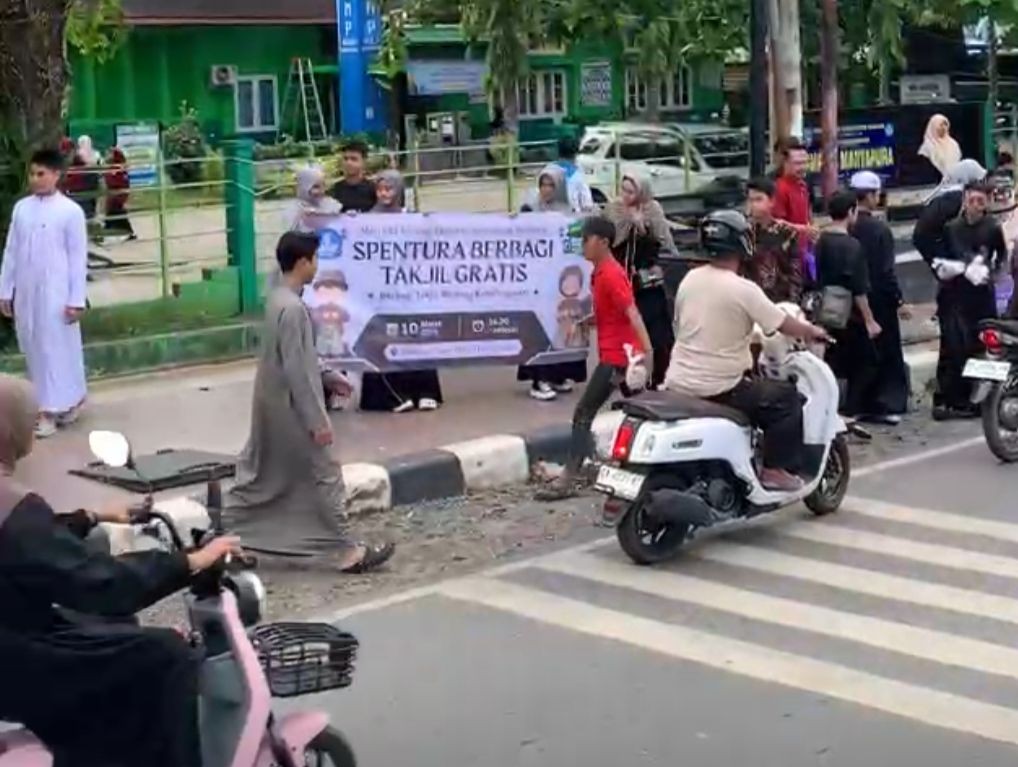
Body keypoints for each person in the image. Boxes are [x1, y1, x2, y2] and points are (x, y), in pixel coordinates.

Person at [0, 373, 243, 767]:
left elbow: (29, 546)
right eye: (28, 417)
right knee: (168, 653)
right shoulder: (14, 506)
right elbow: (100, 583)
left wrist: (93, 516)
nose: (34, 425)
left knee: (116, 629)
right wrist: (188, 561)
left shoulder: (14, 510)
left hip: (13, 636)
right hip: (21, 662)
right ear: (8, 427)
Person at [227, 232, 395, 570]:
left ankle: (229, 537)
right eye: (315, 259)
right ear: (303, 262)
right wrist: (318, 421)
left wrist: (328, 376)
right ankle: (345, 550)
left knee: (265, 478)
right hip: (293, 410)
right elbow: (298, 370)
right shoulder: (293, 309)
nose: (317, 266)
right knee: (325, 474)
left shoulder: (277, 299)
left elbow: (296, 358)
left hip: (272, 406)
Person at [664, 210, 830, 491]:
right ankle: (775, 470)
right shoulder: (744, 289)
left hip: (677, 380)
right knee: (786, 399)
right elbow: (783, 323)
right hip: (721, 386)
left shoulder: (689, 280)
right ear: (742, 244)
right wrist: (813, 331)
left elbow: (682, 325)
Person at [537, 216, 654, 501]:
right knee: (642, 412)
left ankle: (568, 478)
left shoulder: (611, 274)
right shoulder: (599, 272)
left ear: (602, 242)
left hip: (619, 357)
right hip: (621, 354)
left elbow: (632, 313)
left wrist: (647, 354)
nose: (583, 245)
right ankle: (608, 469)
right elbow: (608, 315)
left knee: (583, 413)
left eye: (587, 240)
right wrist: (584, 323)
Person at [0, 148, 88, 438]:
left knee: (57, 348)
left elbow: (77, 257)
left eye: (42, 174)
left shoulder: (70, 212)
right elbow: (11, 251)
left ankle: (50, 410)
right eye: (32, 173)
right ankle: (60, 401)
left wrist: (76, 298)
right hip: (27, 292)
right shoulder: (22, 209)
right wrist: (5, 290)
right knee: (35, 349)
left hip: (57, 293)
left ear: (56, 175)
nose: (35, 179)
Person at [911, 159, 993, 419]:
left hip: (962, 282)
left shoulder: (950, 199)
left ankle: (955, 398)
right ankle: (958, 400)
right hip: (960, 287)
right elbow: (922, 236)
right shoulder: (951, 200)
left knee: (958, 342)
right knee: (962, 342)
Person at [360, 170, 444, 412]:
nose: (384, 194)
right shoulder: (367, 220)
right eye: (380, 189)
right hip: (381, 291)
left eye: (389, 189)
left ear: (399, 191)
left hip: (410, 288)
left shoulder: (412, 218)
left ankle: (425, 391)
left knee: (417, 335)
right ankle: (391, 395)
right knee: (383, 339)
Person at [928, 180, 1007, 420]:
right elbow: (947, 258)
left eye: (980, 202)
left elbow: (1001, 256)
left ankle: (985, 398)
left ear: (986, 204)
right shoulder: (952, 227)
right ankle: (956, 399)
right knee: (956, 347)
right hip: (956, 296)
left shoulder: (992, 227)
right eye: (971, 201)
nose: (974, 206)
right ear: (965, 201)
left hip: (982, 296)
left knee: (984, 344)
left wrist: (992, 276)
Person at [518, 164, 589, 400]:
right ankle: (539, 379)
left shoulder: (568, 213)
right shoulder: (530, 209)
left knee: (562, 327)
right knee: (541, 329)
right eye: (543, 184)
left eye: (551, 185)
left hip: (561, 281)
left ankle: (558, 374)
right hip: (539, 282)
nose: (546, 190)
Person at [848, 171, 911, 423]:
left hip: (853, 301)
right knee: (886, 352)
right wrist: (898, 299)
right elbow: (886, 271)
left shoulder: (847, 228)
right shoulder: (879, 229)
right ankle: (887, 402)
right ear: (872, 195)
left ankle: (860, 402)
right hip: (879, 300)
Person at [815, 190, 883, 418]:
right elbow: (859, 287)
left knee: (834, 360)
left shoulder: (821, 240)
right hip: (850, 314)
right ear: (851, 212)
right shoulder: (852, 246)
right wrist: (870, 319)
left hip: (825, 309)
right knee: (867, 362)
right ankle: (851, 410)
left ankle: (831, 406)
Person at [604, 172, 675, 388]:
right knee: (626, 330)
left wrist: (642, 226)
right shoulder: (614, 210)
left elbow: (662, 241)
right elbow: (610, 239)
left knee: (656, 330)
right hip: (622, 278)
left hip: (647, 280)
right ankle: (627, 376)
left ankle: (660, 376)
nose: (625, 195)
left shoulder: (653, 209)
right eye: (623, 189)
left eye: (630, 191)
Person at [743, 176, 802, 303]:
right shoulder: (742, 232)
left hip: (778, 301)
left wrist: (792, 304)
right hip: (749, 300)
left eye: (759, 199)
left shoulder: (786, 232)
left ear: (772, 201)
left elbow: (795, 271)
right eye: (750, 200)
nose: (753, 205)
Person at [772, 138, 820, 281]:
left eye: (805, 163)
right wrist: (802, 229)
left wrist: (811, 229)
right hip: (786, 255)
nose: (803, 167)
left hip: (804, 251)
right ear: (785, 162)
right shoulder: (779, 188)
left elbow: (807, 214)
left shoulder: (803, 185)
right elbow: (774, 222)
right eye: (798, 163)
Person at [287, 165, 343, 233]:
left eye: (323, 185)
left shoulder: (331, 204)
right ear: (303, 187)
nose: (322, 191)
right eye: (315, 187)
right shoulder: (295, 210)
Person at [329, 140, 377, 213]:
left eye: (354, 159)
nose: (348, 163)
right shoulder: (334, 191)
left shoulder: (374, 190)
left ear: (364, 162)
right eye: (345, 159)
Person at [555, 135, 595, 212]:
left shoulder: (547, 172)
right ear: (576, 154)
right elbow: (587, 205)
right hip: (572, 218)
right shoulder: (578, 176)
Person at [918, 114, 963, 182]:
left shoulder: (953, 144)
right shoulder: (927, 147)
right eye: (940, 125)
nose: (944, 128)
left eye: (945, 124)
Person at [103, 147, 136, 239]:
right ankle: (107, 230)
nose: (107, 156)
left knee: (117, 212)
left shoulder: (118, 168)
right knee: (112, 212)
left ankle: (129, 232)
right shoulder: (113, 168)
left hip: (118, 194)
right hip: (114, 194)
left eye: (109, 154)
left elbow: (118, 182)